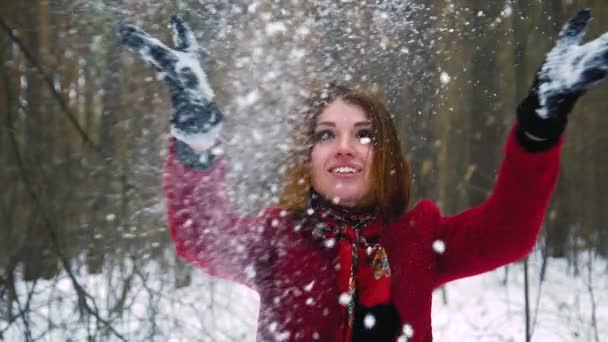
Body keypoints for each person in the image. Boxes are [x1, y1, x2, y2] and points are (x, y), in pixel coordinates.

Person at [119, 10, 608, 342]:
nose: (346, 146)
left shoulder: (419, 238)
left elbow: (509, 232)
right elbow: (203, 238)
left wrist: (541, 125)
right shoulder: (277, 240)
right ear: (308, 158)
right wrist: (197, 135)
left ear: (386, 154)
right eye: (326, 134)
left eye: (364, 134)